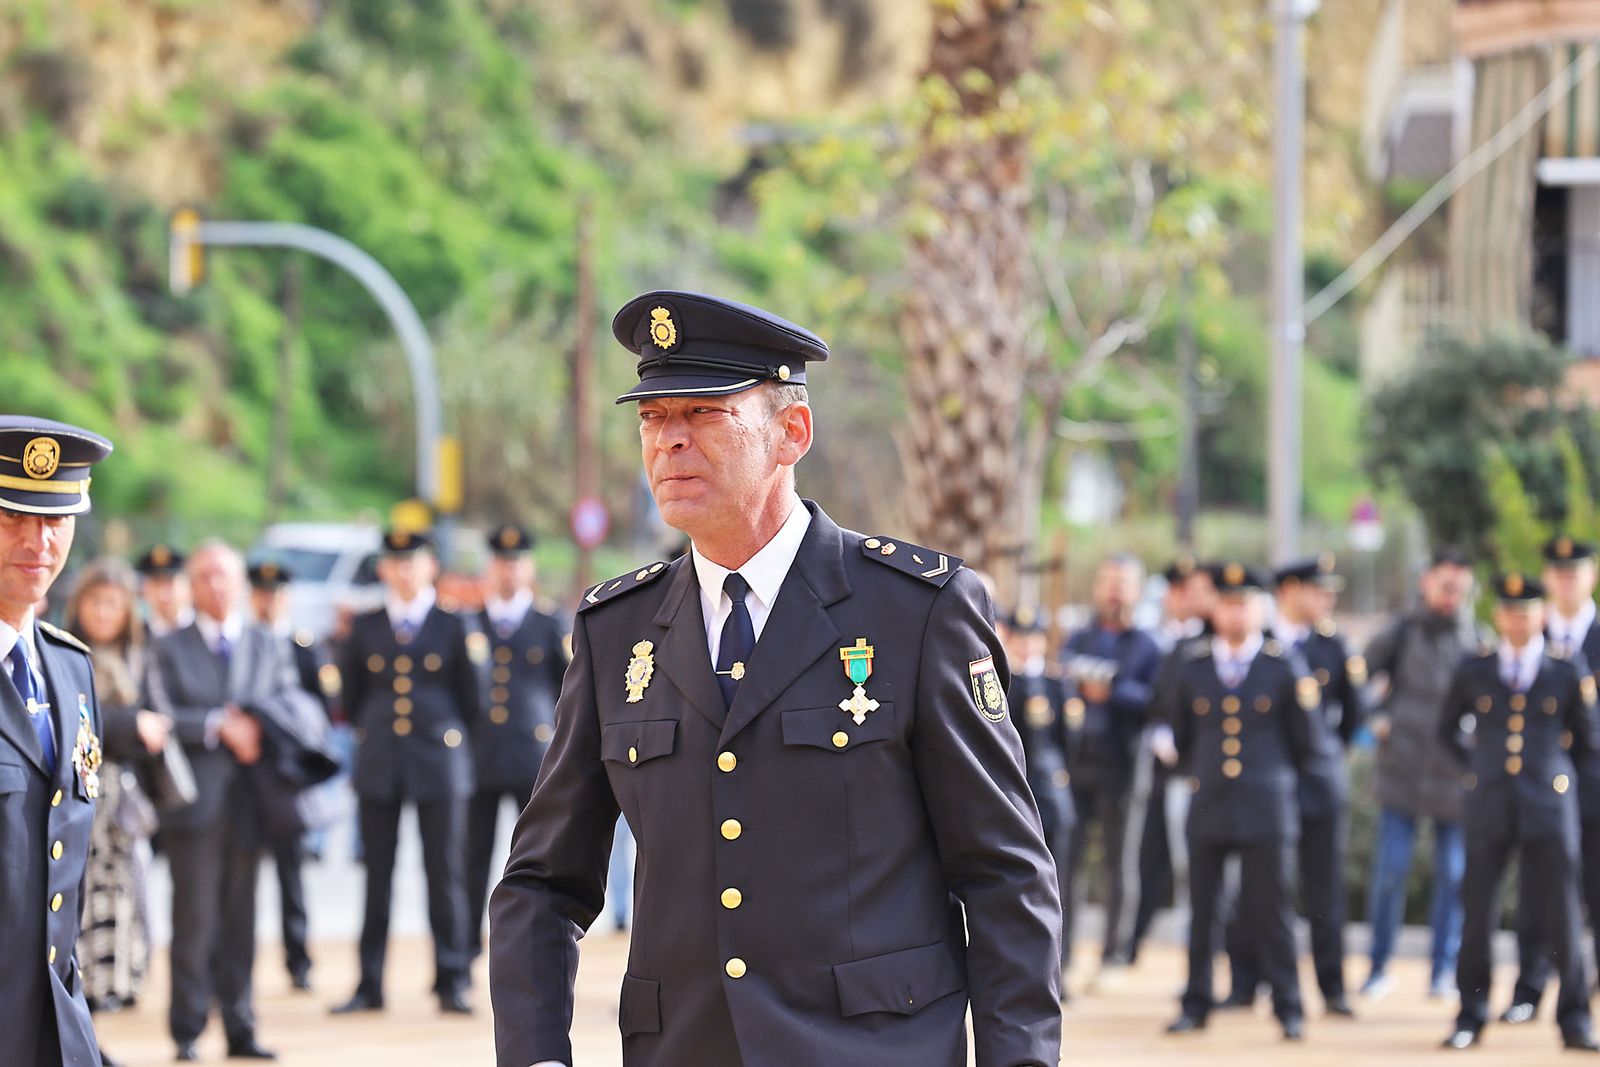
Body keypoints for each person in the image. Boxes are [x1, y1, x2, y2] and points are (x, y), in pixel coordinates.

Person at [490, 290, 1062, 1067]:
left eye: (703, 413)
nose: (670, 442)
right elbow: (541, 883)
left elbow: (1003, 872)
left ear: (791, 431)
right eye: (653, 419)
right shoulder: (615, 630)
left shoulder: (916, 610)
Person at [145, 541, 300, 1061]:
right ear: (191, 584)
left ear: (240, 583)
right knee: (193, 919)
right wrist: (216, 725)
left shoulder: (265, 641)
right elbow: (159, 711)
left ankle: (240, 1026)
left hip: (251, 802)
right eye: (205, 576)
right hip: (194, 803)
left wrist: (257, 725)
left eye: (223, 576)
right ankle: (187, 1030)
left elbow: (287, 698)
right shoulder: (168, 646)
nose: (215, 585)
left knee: (242, 919)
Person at [1438, 573, 1600, 1052]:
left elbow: (1588, 739)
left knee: (1564, 914)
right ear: (1497, 616)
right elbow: (1446, 729)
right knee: (1478, 914)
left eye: (1526, 611)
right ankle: (1471, 1014)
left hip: (1548, 802)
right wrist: (1478, 769)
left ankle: (1574, 1019)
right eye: (1508, 611)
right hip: (1489, 800)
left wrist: (1558, 775)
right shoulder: (1476, 668)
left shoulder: (1565, 669)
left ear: (1541, 616)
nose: (1517, 620)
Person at [0, 415, 114, 1066]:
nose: (37, 540)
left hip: (55, 1026)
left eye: (55, 519)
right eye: (12, 515)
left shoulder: (71, 668)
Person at [332, 530, 481, 1016]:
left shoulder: (453, 626)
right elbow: (350, 700)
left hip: (439, 761)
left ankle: (452, 979)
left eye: (413, 562)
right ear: (382, 570)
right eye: (395, 562)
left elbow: (471, 701)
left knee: (445, 875)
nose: (403, 571)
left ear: (430, 567)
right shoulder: (366, 626)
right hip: (381, 762)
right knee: (377, 877)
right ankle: (369, 982)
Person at [1165, 562, 1312, 1041]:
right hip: (1209, 801)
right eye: (1227, 603)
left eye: (1243, 603)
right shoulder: (1194, 666)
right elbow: (1182, 738)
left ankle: (1288, 1006)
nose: (1234, 613)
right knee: (1203, 911)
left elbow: (1304, 741)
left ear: (1259, 607)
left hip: (1266, 804)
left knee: (1272, 909)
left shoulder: (1282, 664)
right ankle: (1196, 1002)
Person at [1224, 555, 1366, 1017]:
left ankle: (1331, 987)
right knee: (1257, 887)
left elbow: (1355, 713)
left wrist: (1326, 754)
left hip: (1316, 784)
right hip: (1261, 785)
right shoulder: (1255, 642)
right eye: (1316, 589)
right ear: (1287, 590)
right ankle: (1247, 982)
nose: (1327, 598)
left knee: (1323, 888)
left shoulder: (1333, 646)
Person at [1360, 547, 1486, 1000]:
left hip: (1454, 773)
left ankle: (1442, 970)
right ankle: (1377, 966)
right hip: (1403, 769)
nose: (1452, 595)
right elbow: (1359, 678)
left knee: (1454, 874)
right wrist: (1376, 715)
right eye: (1444, 584)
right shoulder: (1401, 632)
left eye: (1460, 586)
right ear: (1426, 582)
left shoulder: (1476, 638)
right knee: (1391, 870)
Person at [1501, 535, 1600, 1024]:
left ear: (1592, 576)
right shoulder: (1527, 634)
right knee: (1538, 893)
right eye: (1557, 573)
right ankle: (1530, 988)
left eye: (1575, 571)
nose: (1566, 580)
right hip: (1539, 788)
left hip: (1596, 784)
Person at [67, 560, 170, 1016]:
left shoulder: (141, 654)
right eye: (95, 601)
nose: (104, 612)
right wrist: (131, 724)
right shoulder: (63, 651)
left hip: (127, 794)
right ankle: (84, 979)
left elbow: (161, 718)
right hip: (80, 789)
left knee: (128, 884)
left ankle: (123, 977)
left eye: (113, 603)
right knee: (83, 887)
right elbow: (72, 721)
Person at [1058, 553, 1162, 983]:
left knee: (1119, 862)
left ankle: (1114, 956)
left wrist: (1112, 689)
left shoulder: (1148, 645)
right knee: (1067, 859)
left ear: (1136, 591)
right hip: (1077, 761)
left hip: (1124, 762)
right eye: (1107, 581)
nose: (1114, 590)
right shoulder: (1077, 637)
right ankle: (1060, 957)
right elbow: (1061, 681)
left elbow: (1157, 701)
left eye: (1122, 582)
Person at [466, 524, 568, 960]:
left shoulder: (549, 623)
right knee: (469, 857)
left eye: (517, 562)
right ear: (490, 568)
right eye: (501, 562)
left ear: (528, 568)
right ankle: (465, 945)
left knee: (534, 857)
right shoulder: (468, 621)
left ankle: (530, 941)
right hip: (479, 756)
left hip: (533, 755)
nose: (509, 570)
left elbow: (568, 688)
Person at [248, 560, 338, 992]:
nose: (269, 599)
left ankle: (298, 959)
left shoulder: (303, 646)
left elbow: (323, 706)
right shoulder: (244, 642)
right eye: (262, 591)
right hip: (248, 770)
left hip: (285, 776)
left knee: (292, 873)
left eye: (276, 592)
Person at [1132, 555, 1215, 957]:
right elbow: (1160, 700)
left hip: (1210, 771)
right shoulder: (1170, 643)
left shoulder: (1220, 641)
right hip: (1172, 769)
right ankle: (1132, 945)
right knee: (1162, 860)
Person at [999, 603, 1077, 976]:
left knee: (1059, 885)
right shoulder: (999, 683)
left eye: (1035, 637)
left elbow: (1069, 746)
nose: (1027, 645)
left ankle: (1061, 965)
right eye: (1020, 637)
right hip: (1011, 798)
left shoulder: (1058, 684)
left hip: (1050, 794)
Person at [135, 544, 191, 639]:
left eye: (170, 582)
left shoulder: (207, 632)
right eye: (156, 584)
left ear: (187, 586)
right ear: (144, 590)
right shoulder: (137, 637)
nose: (163, 594)